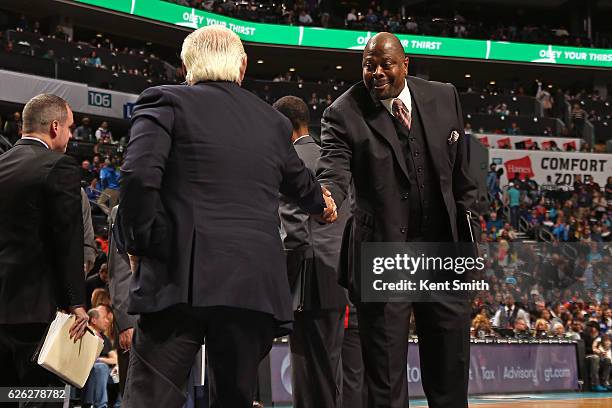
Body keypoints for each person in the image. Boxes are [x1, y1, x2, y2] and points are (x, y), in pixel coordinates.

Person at [117, 26, 336, 408]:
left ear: (187, 65)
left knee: (151, 399)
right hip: (251, 283)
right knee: (234, 400)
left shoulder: (163, 100)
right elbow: (300, 183)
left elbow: (138, 176)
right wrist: (323, 205)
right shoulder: (272, 122)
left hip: (176, 277)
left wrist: (139, 244)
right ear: (243, 66)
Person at [316, 32, 479, 408]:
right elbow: (333, 168)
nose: (375, 72)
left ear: (405, 64)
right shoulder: (342, 112)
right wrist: (328, 195)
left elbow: (463, 177)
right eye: (368, 65)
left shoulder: (444, 96)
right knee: (386, 379)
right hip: (384, 255)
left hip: (444, 255)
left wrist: (470, 233)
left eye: (385, 64)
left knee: (450, 372)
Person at [0, 94, 89, 395]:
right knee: (41, 398)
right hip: (37, 313)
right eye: (70, 127)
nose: (71, 135)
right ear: (54, 127)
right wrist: (77, 302)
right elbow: (68, 239)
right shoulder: (59, 166)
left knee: (6, 396)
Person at [274, 96, 349, 408]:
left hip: (306, 280)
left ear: (285, 126)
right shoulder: (332, 160)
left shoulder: (291, 162)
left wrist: (281, 284)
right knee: (330, 369)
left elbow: (292, 231)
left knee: (307, 371)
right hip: (338, 276)